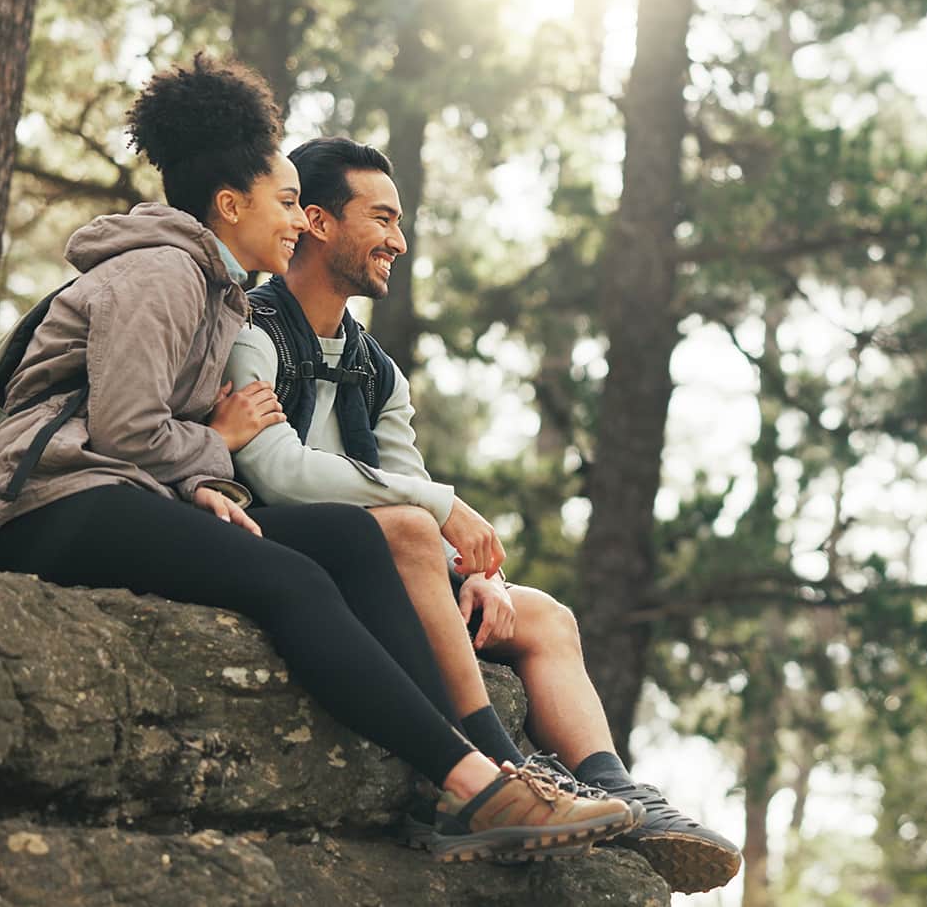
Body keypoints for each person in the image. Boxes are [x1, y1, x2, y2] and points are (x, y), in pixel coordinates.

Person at [0, 56, 634, 864]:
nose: (295, 219)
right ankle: (473, 785)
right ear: (230, 203)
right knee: (293, 580)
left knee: (351, 544)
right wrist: (223, 447)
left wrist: (206, 483)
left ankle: (469, 781)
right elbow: (126, 427)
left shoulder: (217, 293)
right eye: (286, 202)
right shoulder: (161, 272)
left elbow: (167, 436)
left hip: (112, 492)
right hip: (46, 503)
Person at [222, 136, 743, 894]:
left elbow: (407, 482)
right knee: (404, 527)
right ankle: (498, 770)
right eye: (383, 219)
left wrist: (474, 572)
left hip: (388, 562)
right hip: (298, 553)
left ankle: (624, 793)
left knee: (544, 617)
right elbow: (276, 470)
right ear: (317, 220)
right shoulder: (252, 328)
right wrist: (440, 512)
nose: (399, 240)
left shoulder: (377, 370)